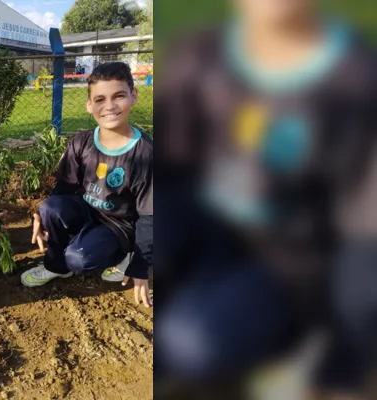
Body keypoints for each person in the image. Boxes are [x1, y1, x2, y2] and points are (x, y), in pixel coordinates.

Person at [155, 0, 377, 397]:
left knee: (190, 340)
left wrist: (346, 352)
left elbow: (362, 227)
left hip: (287, 259)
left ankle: (302, 342)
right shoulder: (202, 54)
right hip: (206, 221)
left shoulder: (356, 80)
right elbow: (170, 168)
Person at [19, 62, 154, 308]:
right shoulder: (82, 142)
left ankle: (127, 253)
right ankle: (57, 267)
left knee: (78, 258)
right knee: (50, 207)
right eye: (100, 99)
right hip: (87, 208)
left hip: (120, 223)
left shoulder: (145, 154)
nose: (109, 106)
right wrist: (40, 214)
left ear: (133, 97)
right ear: (89, 105)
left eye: (119, 96)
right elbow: (64, 188)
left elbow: (149, 216)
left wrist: (141, 266)